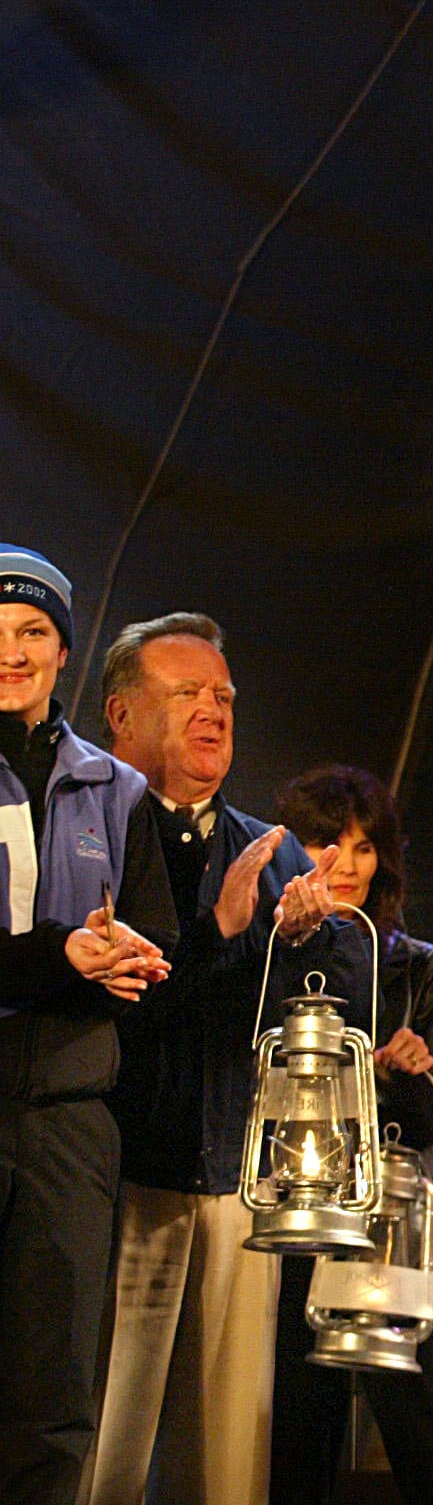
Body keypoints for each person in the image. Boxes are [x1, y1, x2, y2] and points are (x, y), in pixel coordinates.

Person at [88, 612, 359, 1505]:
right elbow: (124, 1004)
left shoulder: (264, 847)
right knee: (103, 1444)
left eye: (224, 697)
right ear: (121, 716)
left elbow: (313, 1015)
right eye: (186, 695)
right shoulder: (97, 835)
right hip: (124, 1181)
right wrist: (228, 933)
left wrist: (306, 942)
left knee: (229, 1459)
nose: (213, 712)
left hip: (237, 1181)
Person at [266, 765, 433, 1505]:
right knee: (293, 1456)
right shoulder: (268, 956)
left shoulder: (418, 966)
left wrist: (408, 1073)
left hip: (397, 1231)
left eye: (365, 846)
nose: (346, 863)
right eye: (325, 843)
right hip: (293, 1231)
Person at [0, 547, 169, 1505]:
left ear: (64, 650)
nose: (12, 654)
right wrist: (58, 956)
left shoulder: (115, 787)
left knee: (54, 1395)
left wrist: (127, 959)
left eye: (33, 633)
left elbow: (148, 938)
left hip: (68, 1120)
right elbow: (65, 948)